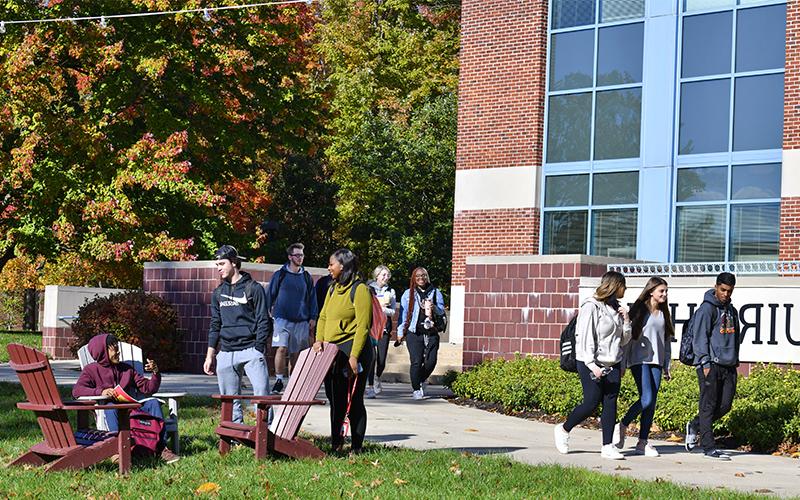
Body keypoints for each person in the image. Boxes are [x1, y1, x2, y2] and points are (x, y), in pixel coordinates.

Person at [554, 271, 631, 460]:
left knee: (610, 403)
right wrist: (591, 364)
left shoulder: (617, 309)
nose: (625, 289)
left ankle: (607, 446)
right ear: (614, 285)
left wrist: (627, 320)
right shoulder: (591, 306)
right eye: (623, 285)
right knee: (591, 402)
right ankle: (564, 429)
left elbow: (623, 341)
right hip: (590, 362)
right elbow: (584, 337)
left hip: (613, 362)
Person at [73, 333, 180, 463]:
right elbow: (77, 390)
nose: (118, 352)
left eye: (118, 348)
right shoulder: (91, 370)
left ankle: (161, 448)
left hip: (130, 407)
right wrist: (102, 391)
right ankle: (116, 450)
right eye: (114, 349)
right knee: (111, 407)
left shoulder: (126, 369)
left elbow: (147, 388)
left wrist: (155, 373)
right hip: (110, 410)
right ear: (103, 352)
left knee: (153, 403)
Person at [313, 248, 373, 454]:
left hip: (353, 350)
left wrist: (354, 356)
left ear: (343, 266)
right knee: (335, 400)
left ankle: (356, 446)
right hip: (332, 352)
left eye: (332, 264)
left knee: (353, 400)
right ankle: (336, 443)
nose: (329, 268)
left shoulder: (361, 290)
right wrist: (318, 340)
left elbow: (364, 326)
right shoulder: (331, 289)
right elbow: (322, 317)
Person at [203, 245, 271, 424]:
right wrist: (210, 355)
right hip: (226, 352)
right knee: (230, 402)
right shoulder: (218, 293)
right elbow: (215, 324)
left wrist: (258, 348)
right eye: (217, 264)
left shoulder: (253, 288)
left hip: (251, 351)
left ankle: (267, 435)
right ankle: (236, 437)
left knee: (262, 396)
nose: (219, 268)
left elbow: (264, 320)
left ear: (234, 263)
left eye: (222, 263)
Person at [613, 276, 673, 457]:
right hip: (639, 360)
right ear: (651, 291)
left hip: (656, 361)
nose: (664, 294)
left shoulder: (664, 313)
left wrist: (666, 365)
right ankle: (623, 424)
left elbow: (667, 340)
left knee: (651, 403)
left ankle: (643, 442)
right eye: (661, 291)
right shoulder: (639, 310)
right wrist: (623, 363)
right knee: (646, 398)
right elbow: (628, 338)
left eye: (666, 291)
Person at [685, 272, 741, 460]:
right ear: (716, 287)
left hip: (729, 365)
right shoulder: (707, 309)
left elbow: (735, 338)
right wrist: (704, 362)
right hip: (710, 365)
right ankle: (708, 447)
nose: (726, 294)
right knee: (707, 406)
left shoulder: (732, 311)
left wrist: (735, 360)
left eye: (729, 291)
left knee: (725, 405)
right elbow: (700, 337)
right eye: (723, 289)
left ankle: (695, 425)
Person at [268, 242, 318, 394]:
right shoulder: (280, 274)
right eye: (297, 255)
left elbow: (312, 298)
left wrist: (313, 316)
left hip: (301, 321)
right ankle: (278, 380)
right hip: (282, 319)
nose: (300, 258)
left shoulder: (306, 276)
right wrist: (266, 314)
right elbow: (270, 294)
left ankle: (293, 382)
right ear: (290, 257)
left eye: (302, 255)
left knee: (296, 353)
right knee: (281, 349)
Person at [397, 267, 446, 400]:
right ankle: (416, 389)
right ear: (413, 278)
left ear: (427, 277)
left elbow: (441, 312)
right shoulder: (408, 294)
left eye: (423, 275)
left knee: (431, 361)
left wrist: (433, 307)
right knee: (416, 361)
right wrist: (400, 332)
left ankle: (421, 379)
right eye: (417, 276)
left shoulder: (436, 292)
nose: (421, 278)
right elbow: (403, 314)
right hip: (414, 332)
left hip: (431, 332)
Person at [365, 265, 396, 399]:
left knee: (381, 360)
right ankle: (370, 386)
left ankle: (377, 377)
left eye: (387, 275)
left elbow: (393, 311)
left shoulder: (391, 291)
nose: (385, 277)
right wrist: (379, 306)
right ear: (376, 275)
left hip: (384, 328)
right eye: (383, 275)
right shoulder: (368, 288)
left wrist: (381, 309)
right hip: (371, 328)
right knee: (371, 358)